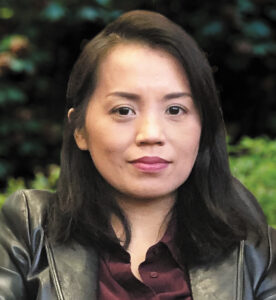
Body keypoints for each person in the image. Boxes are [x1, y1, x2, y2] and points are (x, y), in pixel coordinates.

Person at [0, 10, 275, 300]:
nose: (151, 134)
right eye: (123, 111)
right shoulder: (29, 232)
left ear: (203, 128)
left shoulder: (257, 255)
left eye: (175, 110)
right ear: (79, 130)